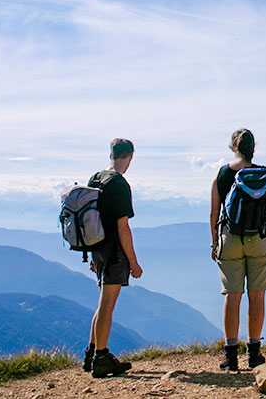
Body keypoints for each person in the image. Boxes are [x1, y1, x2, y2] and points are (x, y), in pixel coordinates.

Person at [210, 129, 266, 371]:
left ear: (233, 147)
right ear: (253, 148)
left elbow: (214, 212)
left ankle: (230, 355)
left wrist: (214, 241)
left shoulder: (223, 174)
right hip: (260, 238)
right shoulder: (263, 173)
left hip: (231, 238)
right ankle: (255, 353)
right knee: (257, 295)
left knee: (232, 295)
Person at [82, 138, 143, 378]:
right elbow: (123, 228)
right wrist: (133, 261)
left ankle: (92, 354)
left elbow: (90, 220)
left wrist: (91, 253)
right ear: (130, 156)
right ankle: (102, 357)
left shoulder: (95, 178)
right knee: (108, 304)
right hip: (114, 251)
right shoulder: (119, 184)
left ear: (111, 154)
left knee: (102, 302)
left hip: (97, 249)